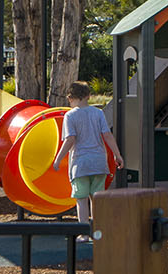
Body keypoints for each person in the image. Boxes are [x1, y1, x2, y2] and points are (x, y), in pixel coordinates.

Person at [50, 80, 121, 236]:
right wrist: (117, 154)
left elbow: (70, 139)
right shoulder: (98, 113)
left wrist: (58, 159)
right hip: (99, 162)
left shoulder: (70, 116)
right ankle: (98, 232)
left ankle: (83, 233)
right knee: (96, 200)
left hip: (80, 163)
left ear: (70, 98)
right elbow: (107, 135)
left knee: (81, 200)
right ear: (88, 96)